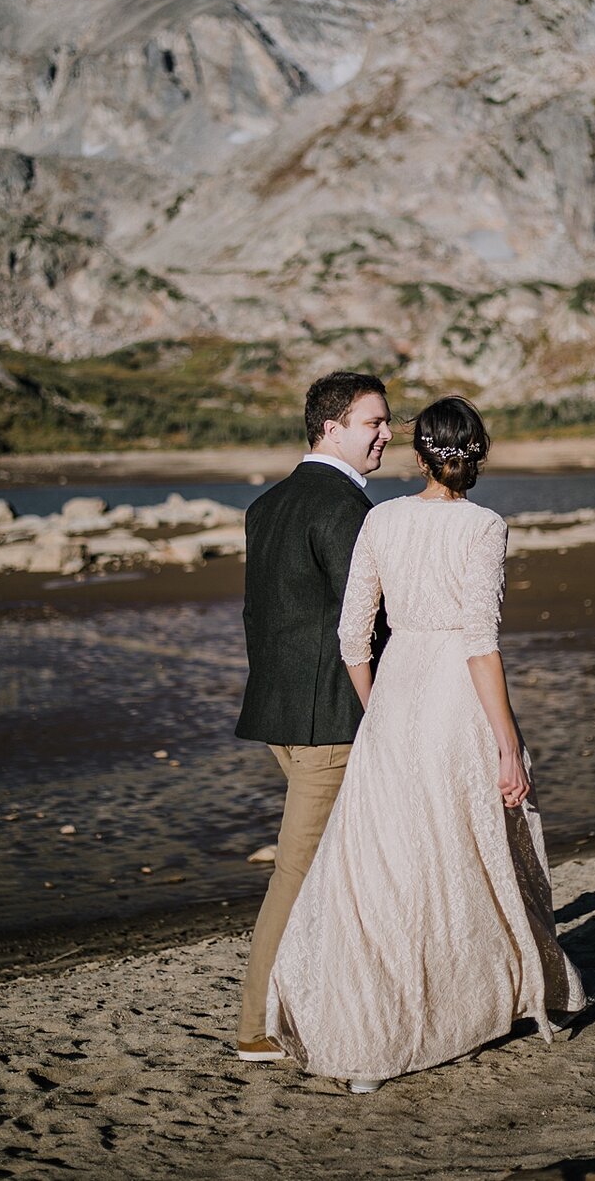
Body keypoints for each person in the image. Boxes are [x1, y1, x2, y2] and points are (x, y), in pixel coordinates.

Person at [266, 395, 595, 1091]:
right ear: (476, 456)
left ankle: (371, 1034)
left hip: (397, 693)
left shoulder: (382, 518)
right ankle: (501, 994)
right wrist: (508, 746)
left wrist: (378, 708)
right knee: (473, 852)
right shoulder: (484, 526)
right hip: (456, 700)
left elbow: (352, 636)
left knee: (390, 868)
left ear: (421, 456)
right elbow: (481, 642)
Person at [234, 370, 393, 1060]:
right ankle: (257, 1027)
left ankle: (319, 999)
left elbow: (262, 615)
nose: (389, 433)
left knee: (330, 870)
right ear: (330, 427)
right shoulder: (348, 511)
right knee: (299, 873)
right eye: (373, 423)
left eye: (388, 421)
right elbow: (368, 624)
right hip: (331, 721)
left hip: (278, 714)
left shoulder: (266, 506)